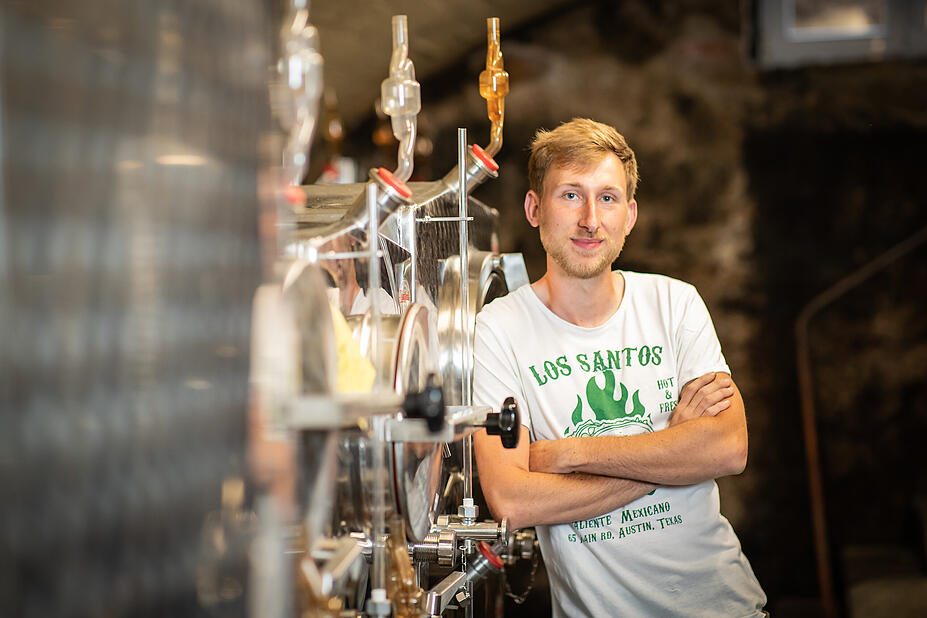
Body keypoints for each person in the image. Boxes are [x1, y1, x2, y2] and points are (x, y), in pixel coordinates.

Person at [472, 118, 766, 617]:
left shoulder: (674, 303)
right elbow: (512, 500)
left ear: (629, 215)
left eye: (607, 198)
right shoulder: (499, 329)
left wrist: (567, 454)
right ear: (534, 208)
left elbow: (728, 447)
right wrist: (671, 450)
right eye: (571, 195)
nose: (590, 219)